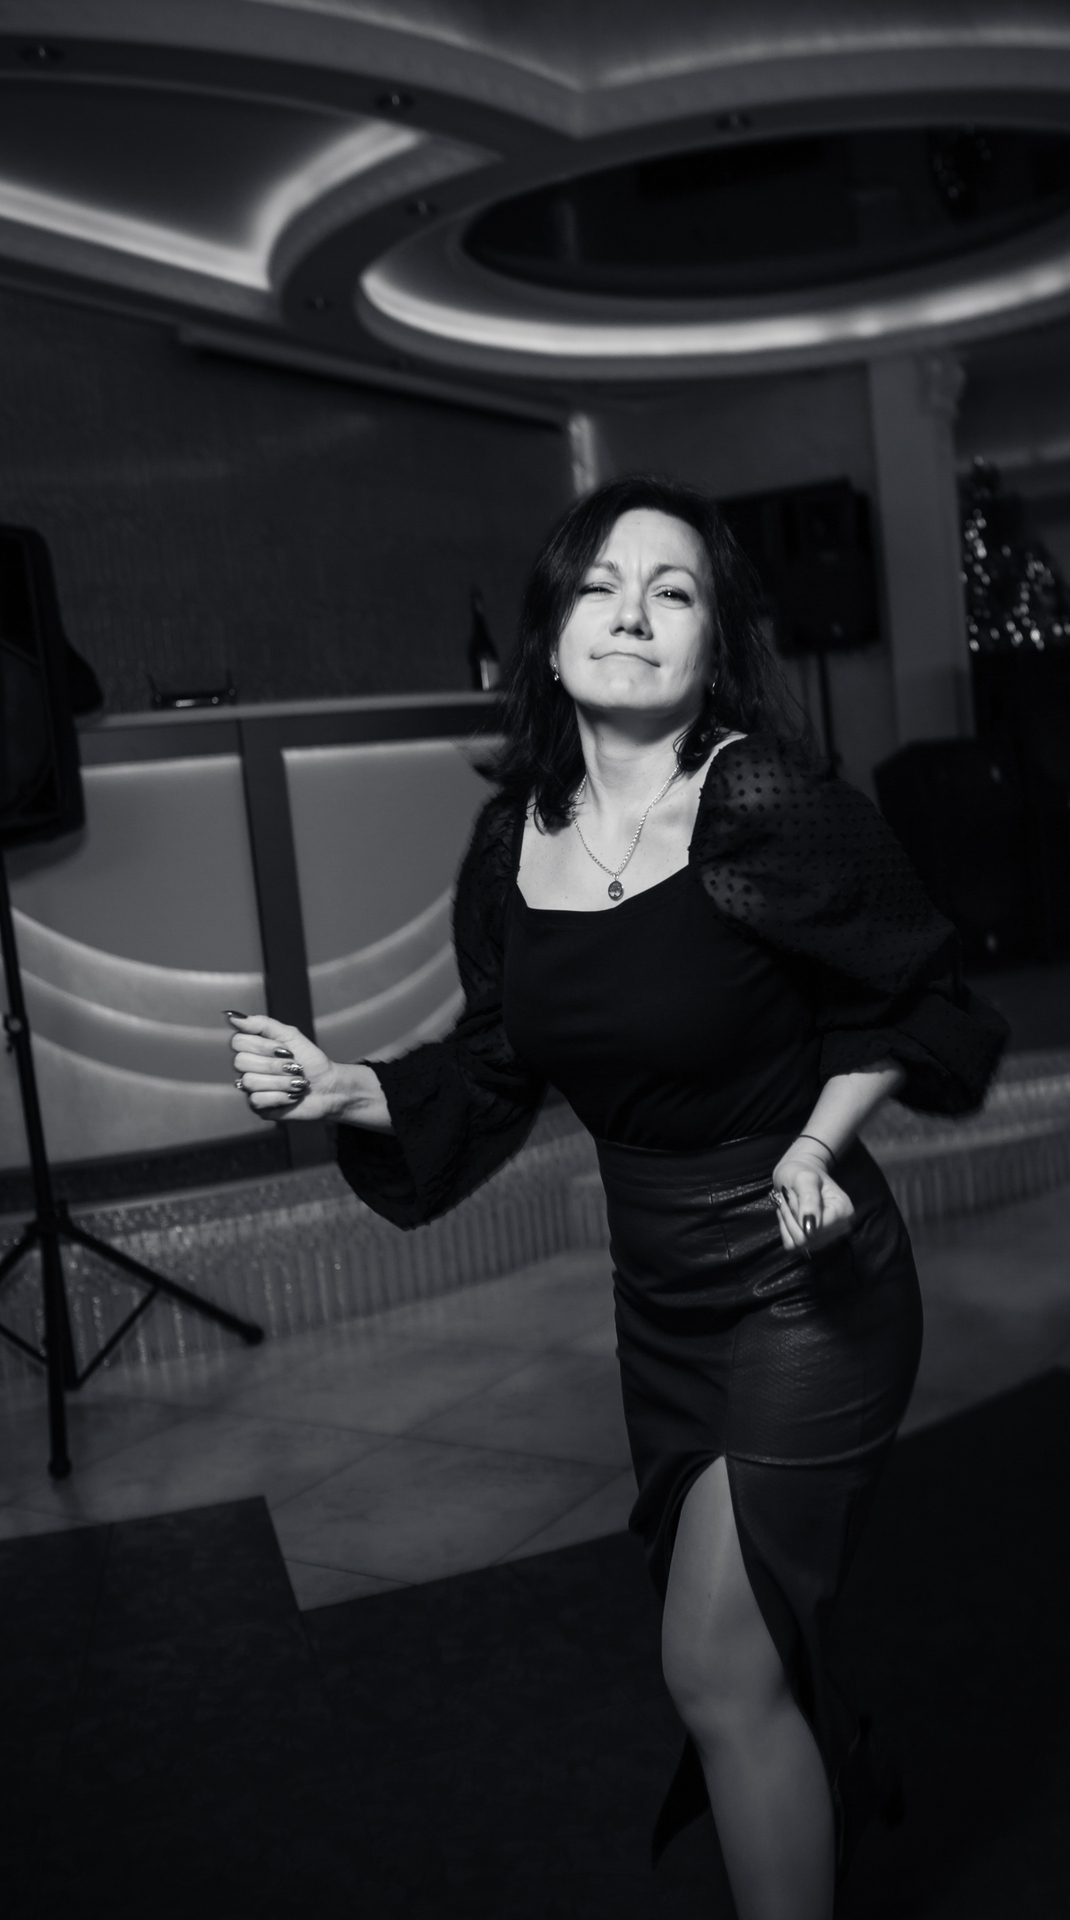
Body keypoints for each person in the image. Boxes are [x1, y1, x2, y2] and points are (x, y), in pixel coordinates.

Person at [226, 475, 1007, 1920]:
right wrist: (344, 1087)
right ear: (549, 633)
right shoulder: (510, 844)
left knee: (710, 1662)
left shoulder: (762, 803)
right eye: (599, 586)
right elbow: (495, 1064)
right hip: (656, 1299)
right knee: (744, 1660)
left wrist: (817, 1147)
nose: (633, 615)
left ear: (714, 643)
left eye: (673, 590)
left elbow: (919, 993)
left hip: (807, 1278)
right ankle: (834, 1763)